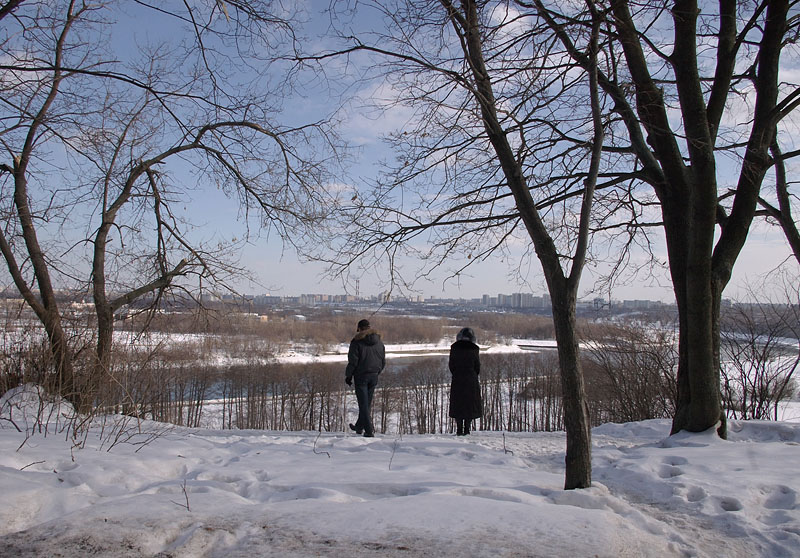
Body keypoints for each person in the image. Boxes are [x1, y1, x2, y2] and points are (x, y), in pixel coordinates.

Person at [345, 318, 385, 437]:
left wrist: (348, 376)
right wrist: (377, 372)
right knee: (366, 403)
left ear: (360, 329)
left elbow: (353, 361)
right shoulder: (379, 342)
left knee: (363, 404)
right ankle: (359, 426)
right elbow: (383, 361)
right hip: (374, 376)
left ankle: (368, 431)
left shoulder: (356, 342)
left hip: (361, 376)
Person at [449, 327, 482, 436]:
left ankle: (459, 429)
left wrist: (457, 373)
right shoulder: (474, 349)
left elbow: (451, 365)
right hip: (471, 380)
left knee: (458, 403)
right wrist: (472, 374)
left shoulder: (454, 348)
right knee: (469, 404)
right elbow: (477, 367)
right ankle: (467, 429)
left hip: (458, 378)